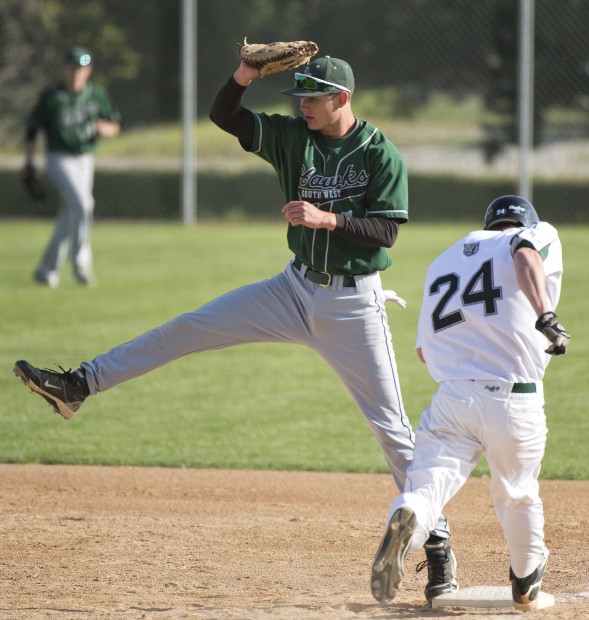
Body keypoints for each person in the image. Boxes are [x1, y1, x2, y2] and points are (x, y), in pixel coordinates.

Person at [13, 54, 457, 601]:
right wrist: (245, 74)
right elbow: (226, 115)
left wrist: (328, 219)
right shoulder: (293, 137)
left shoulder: (380, 153)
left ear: (342, 99)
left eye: (312, 97)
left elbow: (386, 232)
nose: (302, 105)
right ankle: (81, 384)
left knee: (392, 431)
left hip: (353, 306)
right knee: (190, 327)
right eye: (299, 96)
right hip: (292, 289)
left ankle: (438, 549)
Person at [370, 195, 571, 611]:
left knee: (427, 485)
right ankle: (525, 578)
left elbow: (425, 351)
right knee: (516, 494)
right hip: (513, 398)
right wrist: (545, 316)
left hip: (452, 398)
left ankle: (411, 515)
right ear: (521, 222)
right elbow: (526, 253)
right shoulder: (532, 233)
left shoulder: (444, 259)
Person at [23, 45, 121, 288]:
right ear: (65, 68)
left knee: (70, 214)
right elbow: (32, 128)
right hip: (59, 158)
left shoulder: (96, 95)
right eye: (73, 68)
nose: (77, 73)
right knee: (83, 203)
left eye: (82, 68)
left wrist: (104, 129)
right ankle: (80, 261)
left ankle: (46, 270)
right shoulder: (52, 96)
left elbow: (114, 125)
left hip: (85, 159)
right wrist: (28, 161)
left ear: (89, 70)